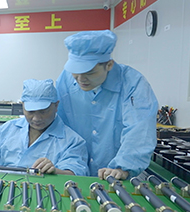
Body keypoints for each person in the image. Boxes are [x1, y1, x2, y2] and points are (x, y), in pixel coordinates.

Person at [56, 30, 158, 180]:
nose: (80, 79)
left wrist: (123, 167)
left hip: (116, 176)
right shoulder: (65, 80)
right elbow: (57, 125)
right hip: (74, 172)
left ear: (109, 65)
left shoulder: (132, 83)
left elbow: (139, 131)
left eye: (89, 72)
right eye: (75, 72)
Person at [0, 79, 88, 176]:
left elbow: (76, 173)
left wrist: (55, 171)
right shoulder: (7, 129)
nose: (36, 118)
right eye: (30, 111)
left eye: (43, 111)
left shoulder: (72, 141)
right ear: (23, 105)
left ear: (56, 105)